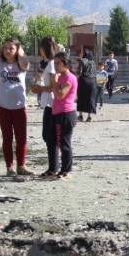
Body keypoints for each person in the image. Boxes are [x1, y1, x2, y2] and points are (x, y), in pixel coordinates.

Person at [0, 37, 32, 177]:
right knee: (7, 137)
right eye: (5, 48)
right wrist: (0, 50)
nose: (7, 51)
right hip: (3, 106)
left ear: (17, 50)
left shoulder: (21, 64)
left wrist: (20, 53)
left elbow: (25, 63)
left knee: (21, 138)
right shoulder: (0, 63)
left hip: (19, 106)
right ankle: (10, 167)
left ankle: (21, 166)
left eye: (11, 48)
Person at [29, 35, 60, 178]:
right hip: (49, 103)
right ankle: (53, 166)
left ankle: (54, 168)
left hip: (53, 103)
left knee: (50, 137)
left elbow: (53, 86)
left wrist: (40, 88)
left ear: (42, 49)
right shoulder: (50, 64)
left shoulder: (52, 65)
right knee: (47, 135)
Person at [48, 52, 78, 181]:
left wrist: (54, 82)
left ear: (66, 64)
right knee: (51, 140)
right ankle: (53, 169)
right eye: (54, 63)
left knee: (64, 143)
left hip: (66, 113)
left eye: (58, 63)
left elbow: (60, 95)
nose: (55, 65)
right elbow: (53, 89)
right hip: (57, 112)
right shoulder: (61, 77)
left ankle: (66, 170)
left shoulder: (69, 78)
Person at [75, 48, 97, 122]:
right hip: (91, 81)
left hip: (83, 81)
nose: (80, 54)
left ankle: (80, 116)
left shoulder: (82, 61)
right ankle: (89, 117)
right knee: (90, 98)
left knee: (81, 98)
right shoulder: (93, 62)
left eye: (81, 53)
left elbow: (79, 72)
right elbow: (94, 73)